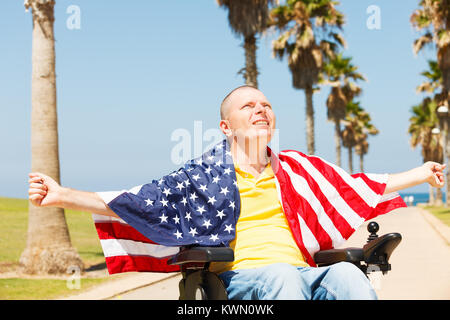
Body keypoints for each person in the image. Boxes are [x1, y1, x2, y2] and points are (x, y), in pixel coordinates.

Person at [28, 85, 446, 300]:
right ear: (226, 127)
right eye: (248, 106)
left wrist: (419, 173)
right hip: (241, 281)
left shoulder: (298, 168)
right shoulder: (202, 175)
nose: (260, 109)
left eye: (265, 105)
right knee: (282, 276)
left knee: (346, 275)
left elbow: (358, 187)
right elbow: (137, 202)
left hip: (303, 274)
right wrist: (62, 194)